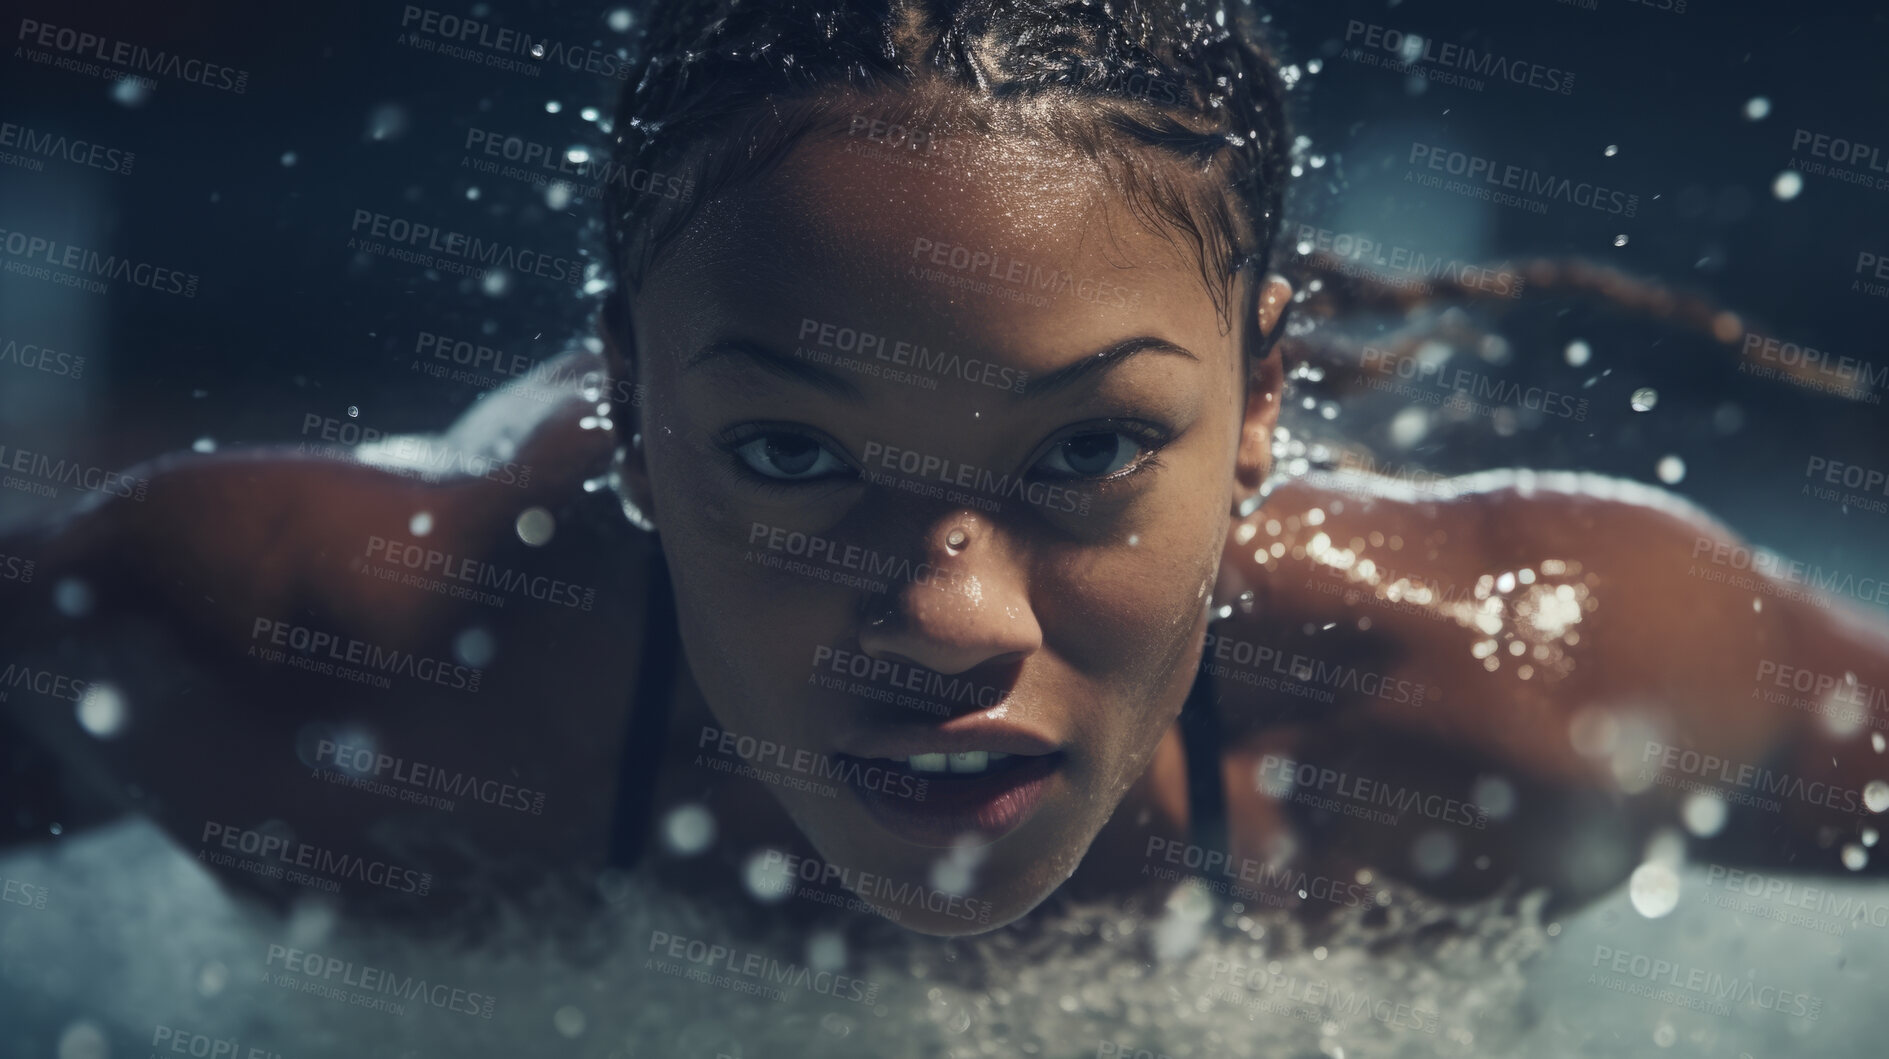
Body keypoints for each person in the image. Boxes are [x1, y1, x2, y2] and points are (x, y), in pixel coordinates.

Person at [2, 0, 1885, 944]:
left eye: (1084, 450)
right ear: (635, 408)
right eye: (790, 452)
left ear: (1258, 417)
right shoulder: (304, 659)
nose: (946, 619)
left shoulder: (1541, 685)